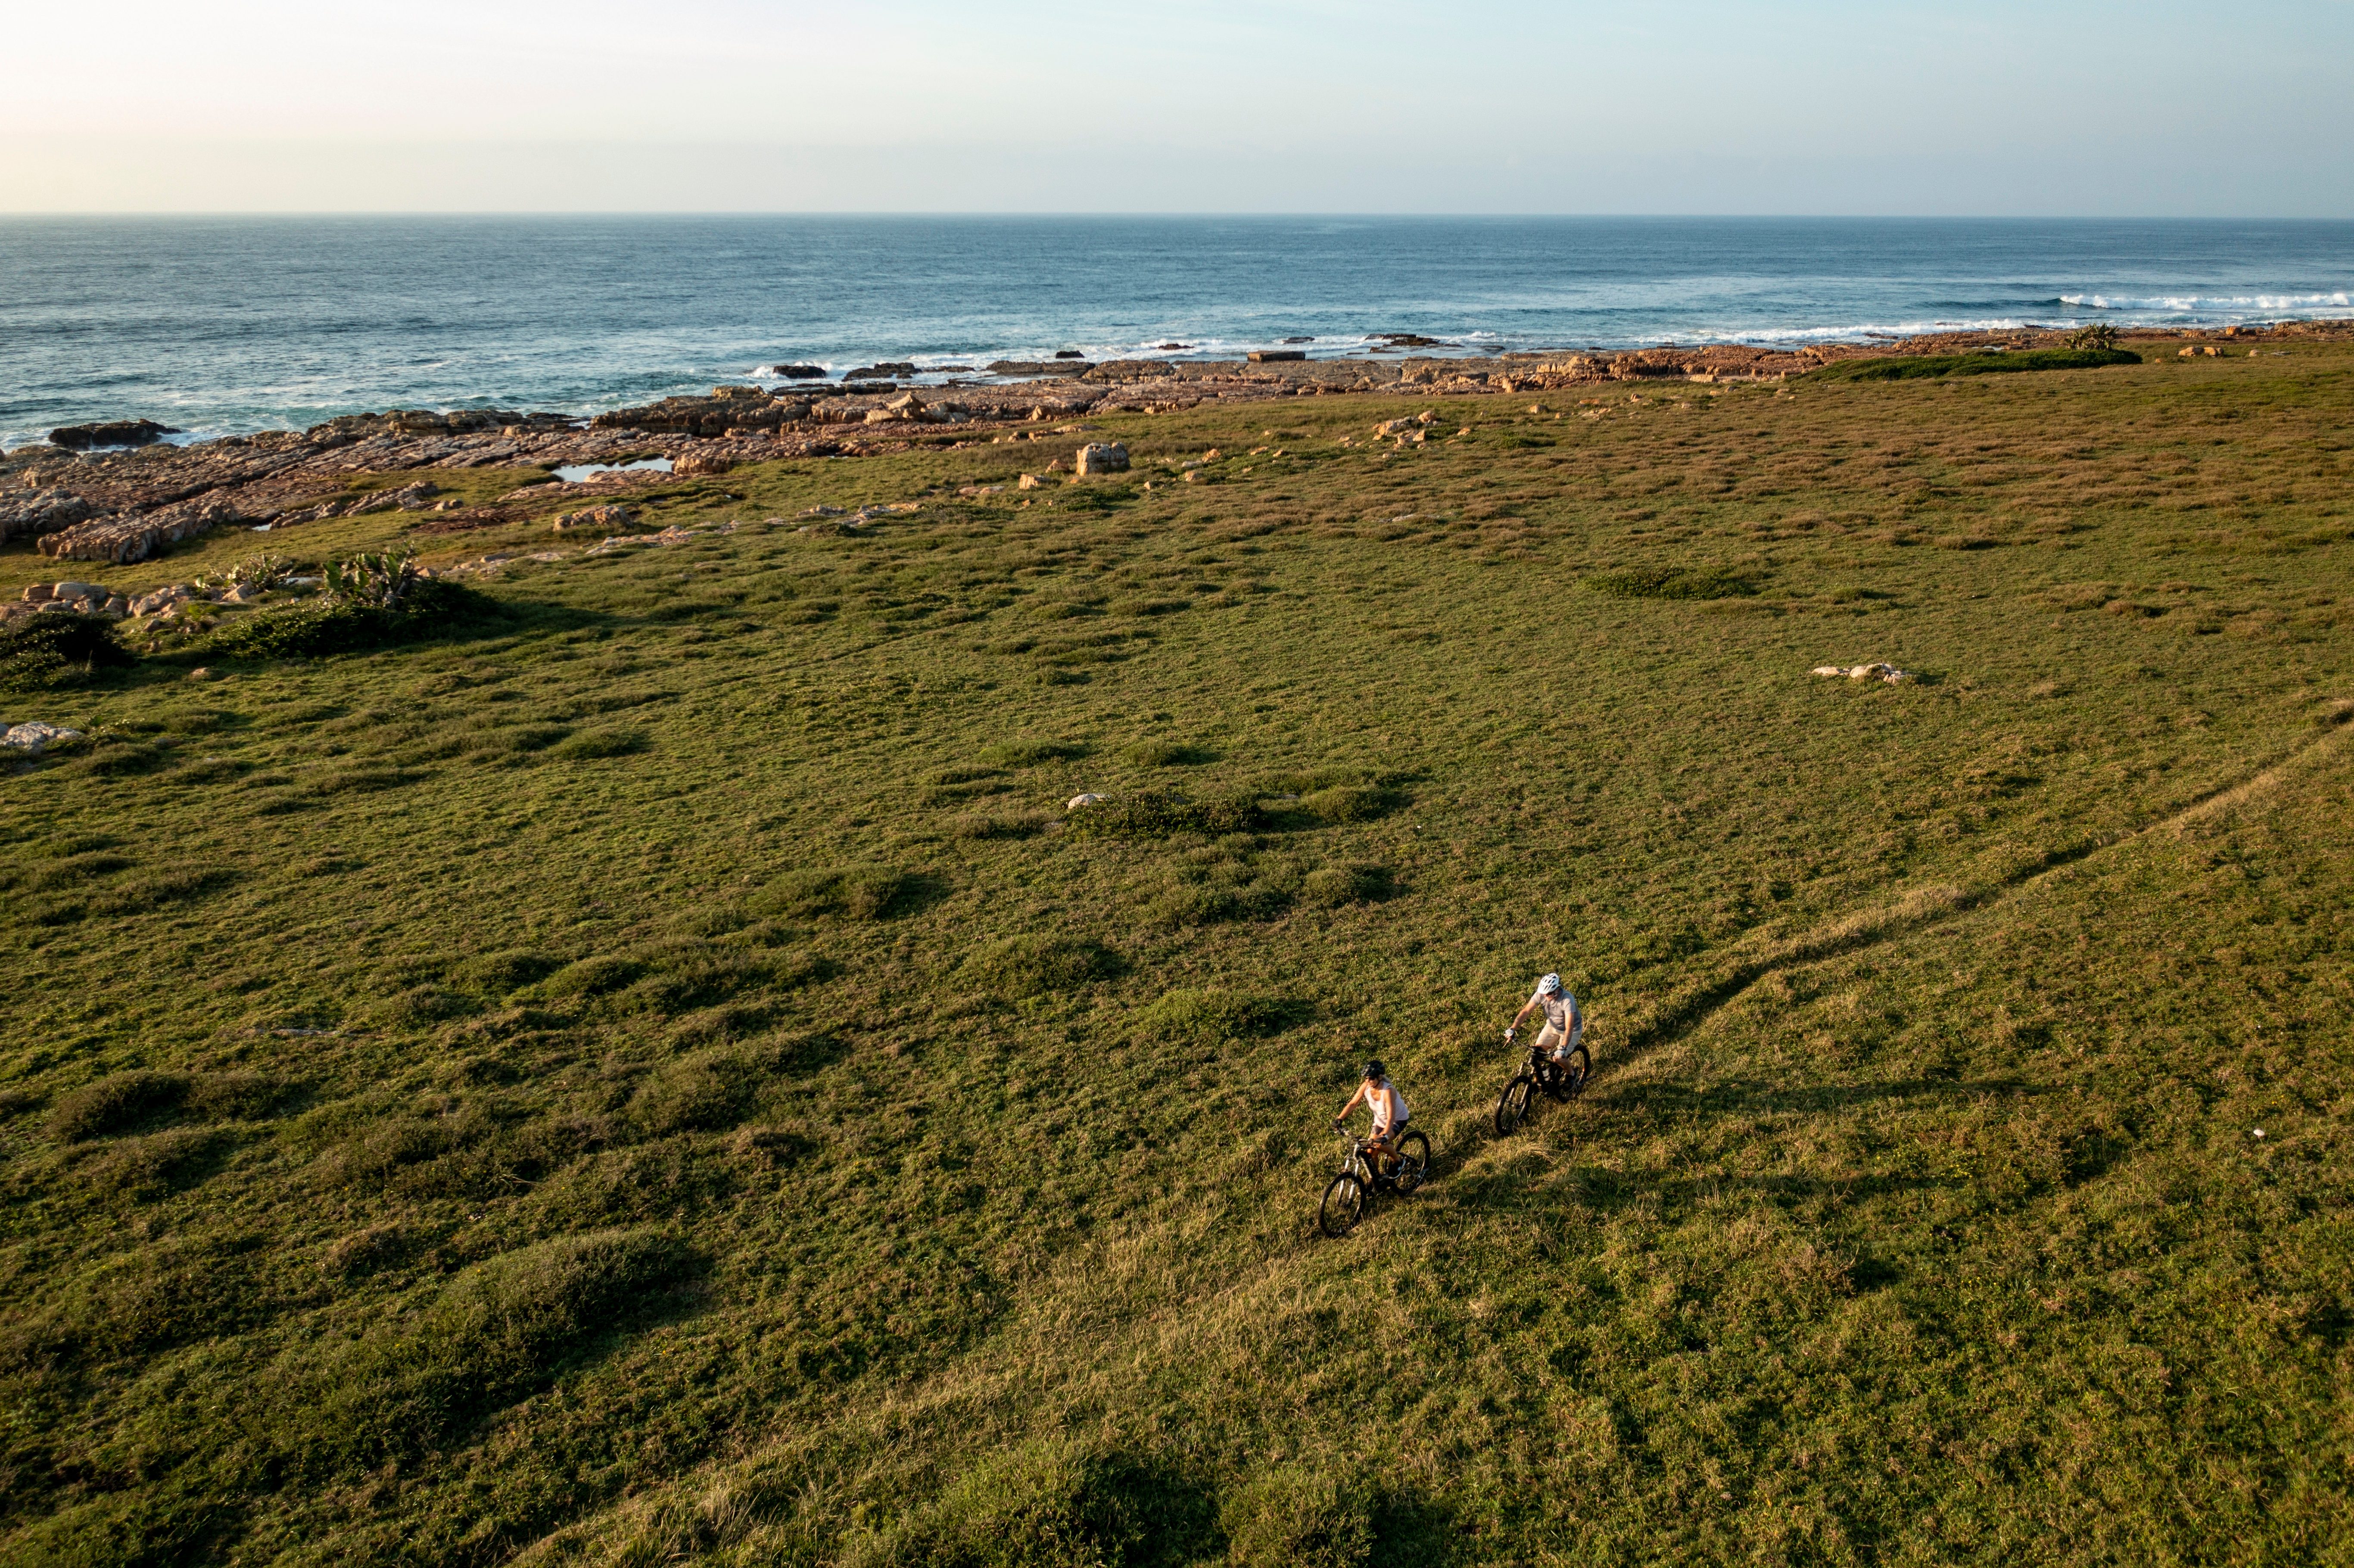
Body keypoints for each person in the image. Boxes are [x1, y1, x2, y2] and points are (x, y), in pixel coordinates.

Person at [1333, 1060, 1410, 1177]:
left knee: (1380, 1144)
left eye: (1371, 1079)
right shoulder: (1366, 1087)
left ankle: (1398, 1161)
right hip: (1380, 1121)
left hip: (1397, 1120)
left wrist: (1385, 1136)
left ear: (1379, 1077)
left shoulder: (1388, 1091)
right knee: (1371, 1152)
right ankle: (1374, 1179)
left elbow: (1391, 1117)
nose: (1368, 1081)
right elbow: (1353, 1103)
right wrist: (1340, 1119)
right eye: (1366, 1079)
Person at [1504, 972, 1582, 1083]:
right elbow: (1526, 1011)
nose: (1546, 996)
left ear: (1557, 990)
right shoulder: (1542, 994)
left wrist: (1563, 1048)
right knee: (1537, 1054)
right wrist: (1512, 1029)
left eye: (1549, 994)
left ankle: (1572, 1073)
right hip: (1552, 1026)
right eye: (1544, 994)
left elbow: (1569, 1027)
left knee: (1558, 1058)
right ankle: (1543, 1079)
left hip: (1571, 1030)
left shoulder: (1567, 1000)